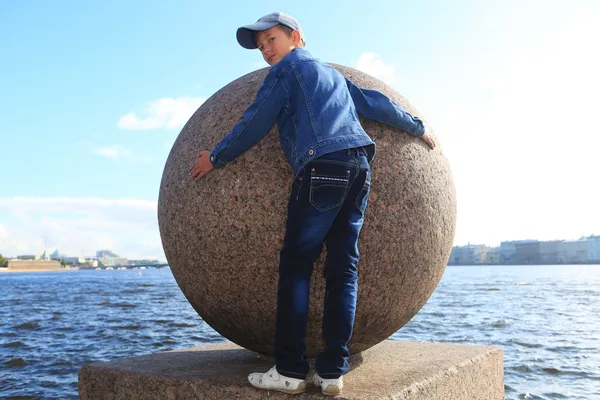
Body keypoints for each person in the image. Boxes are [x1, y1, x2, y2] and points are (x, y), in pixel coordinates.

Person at [190, 12, 436, 396]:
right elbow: (375, 104)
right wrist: (417, 127)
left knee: (296, 267)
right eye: (261, 46)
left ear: (296, 37)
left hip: (321, 168)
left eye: (271, 40)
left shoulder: (286, 73)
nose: (266, 51)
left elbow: (254, 122)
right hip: (358, 170)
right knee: (343, 270)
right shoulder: (334, 76)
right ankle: (332, 372)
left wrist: (216, 157)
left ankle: (289, 369)